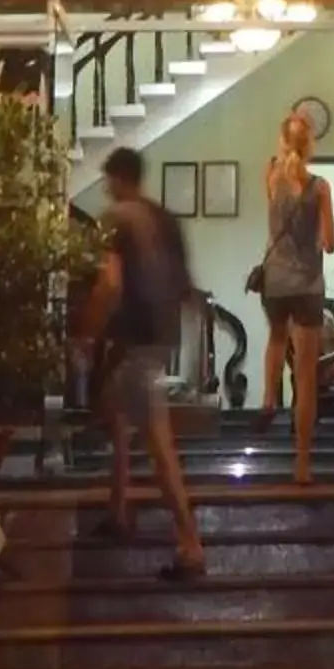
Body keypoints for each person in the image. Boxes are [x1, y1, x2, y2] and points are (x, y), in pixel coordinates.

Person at [83, 146, 205, 578]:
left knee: (157, 442)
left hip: (131, 340)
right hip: (158, 338)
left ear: (119, 179)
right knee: (116, 418)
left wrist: (87, 332)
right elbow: (186, 289)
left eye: (108, 179)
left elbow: (110, 285)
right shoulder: (166, 220)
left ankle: (190, 544)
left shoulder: (114, 220)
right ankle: (118, 511)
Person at [259, 109, 334, 484]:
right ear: (310, 145)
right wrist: (321, 239)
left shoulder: (271, 174)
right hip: (307, 285)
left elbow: (272, 218)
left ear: (282, 141)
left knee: (276, 338)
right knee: (306, 375)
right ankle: (302, 462)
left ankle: (268, 398)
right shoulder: (320, 186)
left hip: (275, 282)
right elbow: (330, 242)